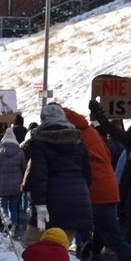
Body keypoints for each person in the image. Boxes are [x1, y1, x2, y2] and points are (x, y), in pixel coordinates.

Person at [64, 107, 131, 261]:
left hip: (90, 191)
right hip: (110, 190)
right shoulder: (91, 133)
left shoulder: (70, 137)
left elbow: (77, 168)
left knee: (62, 235)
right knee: (117, 240)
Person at [22, 104, 93, 248]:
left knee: (32, 244)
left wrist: (40, 207)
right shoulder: (78, 142)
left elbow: (39, 178)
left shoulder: (41, 143)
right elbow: (88, 176)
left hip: (49, 203)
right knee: (60, 247)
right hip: (77, 202)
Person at [0, 126, 25, 231]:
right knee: (14, 207)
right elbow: (23, 167)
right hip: (16, 185)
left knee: (3, 205)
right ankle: (14, 224)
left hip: (2, 185)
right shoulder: (20, 152)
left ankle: (6, 220)